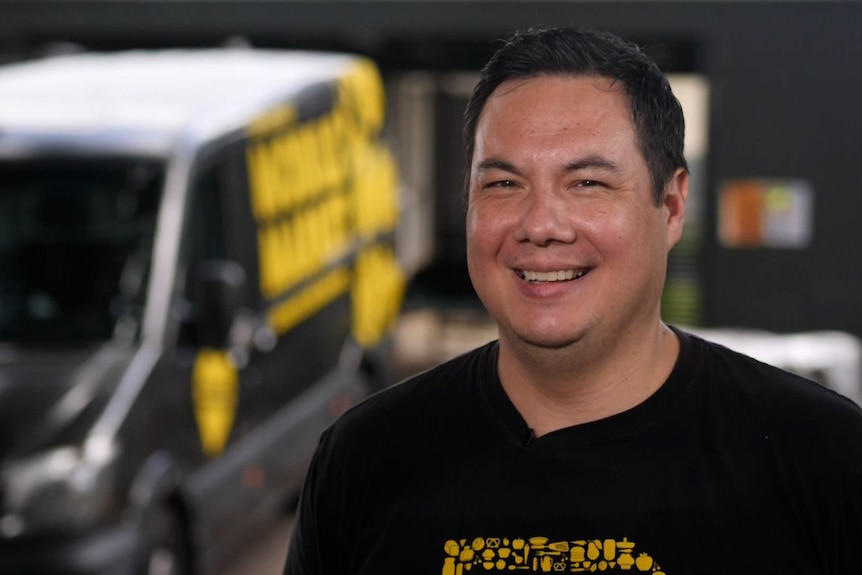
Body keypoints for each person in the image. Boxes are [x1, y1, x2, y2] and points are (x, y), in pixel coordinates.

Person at [283, 27, 862, 574]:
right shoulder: (365, 458)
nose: (540, 226)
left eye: (587, 183)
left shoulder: (824, 459)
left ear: (672, 206)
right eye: (504, 184)